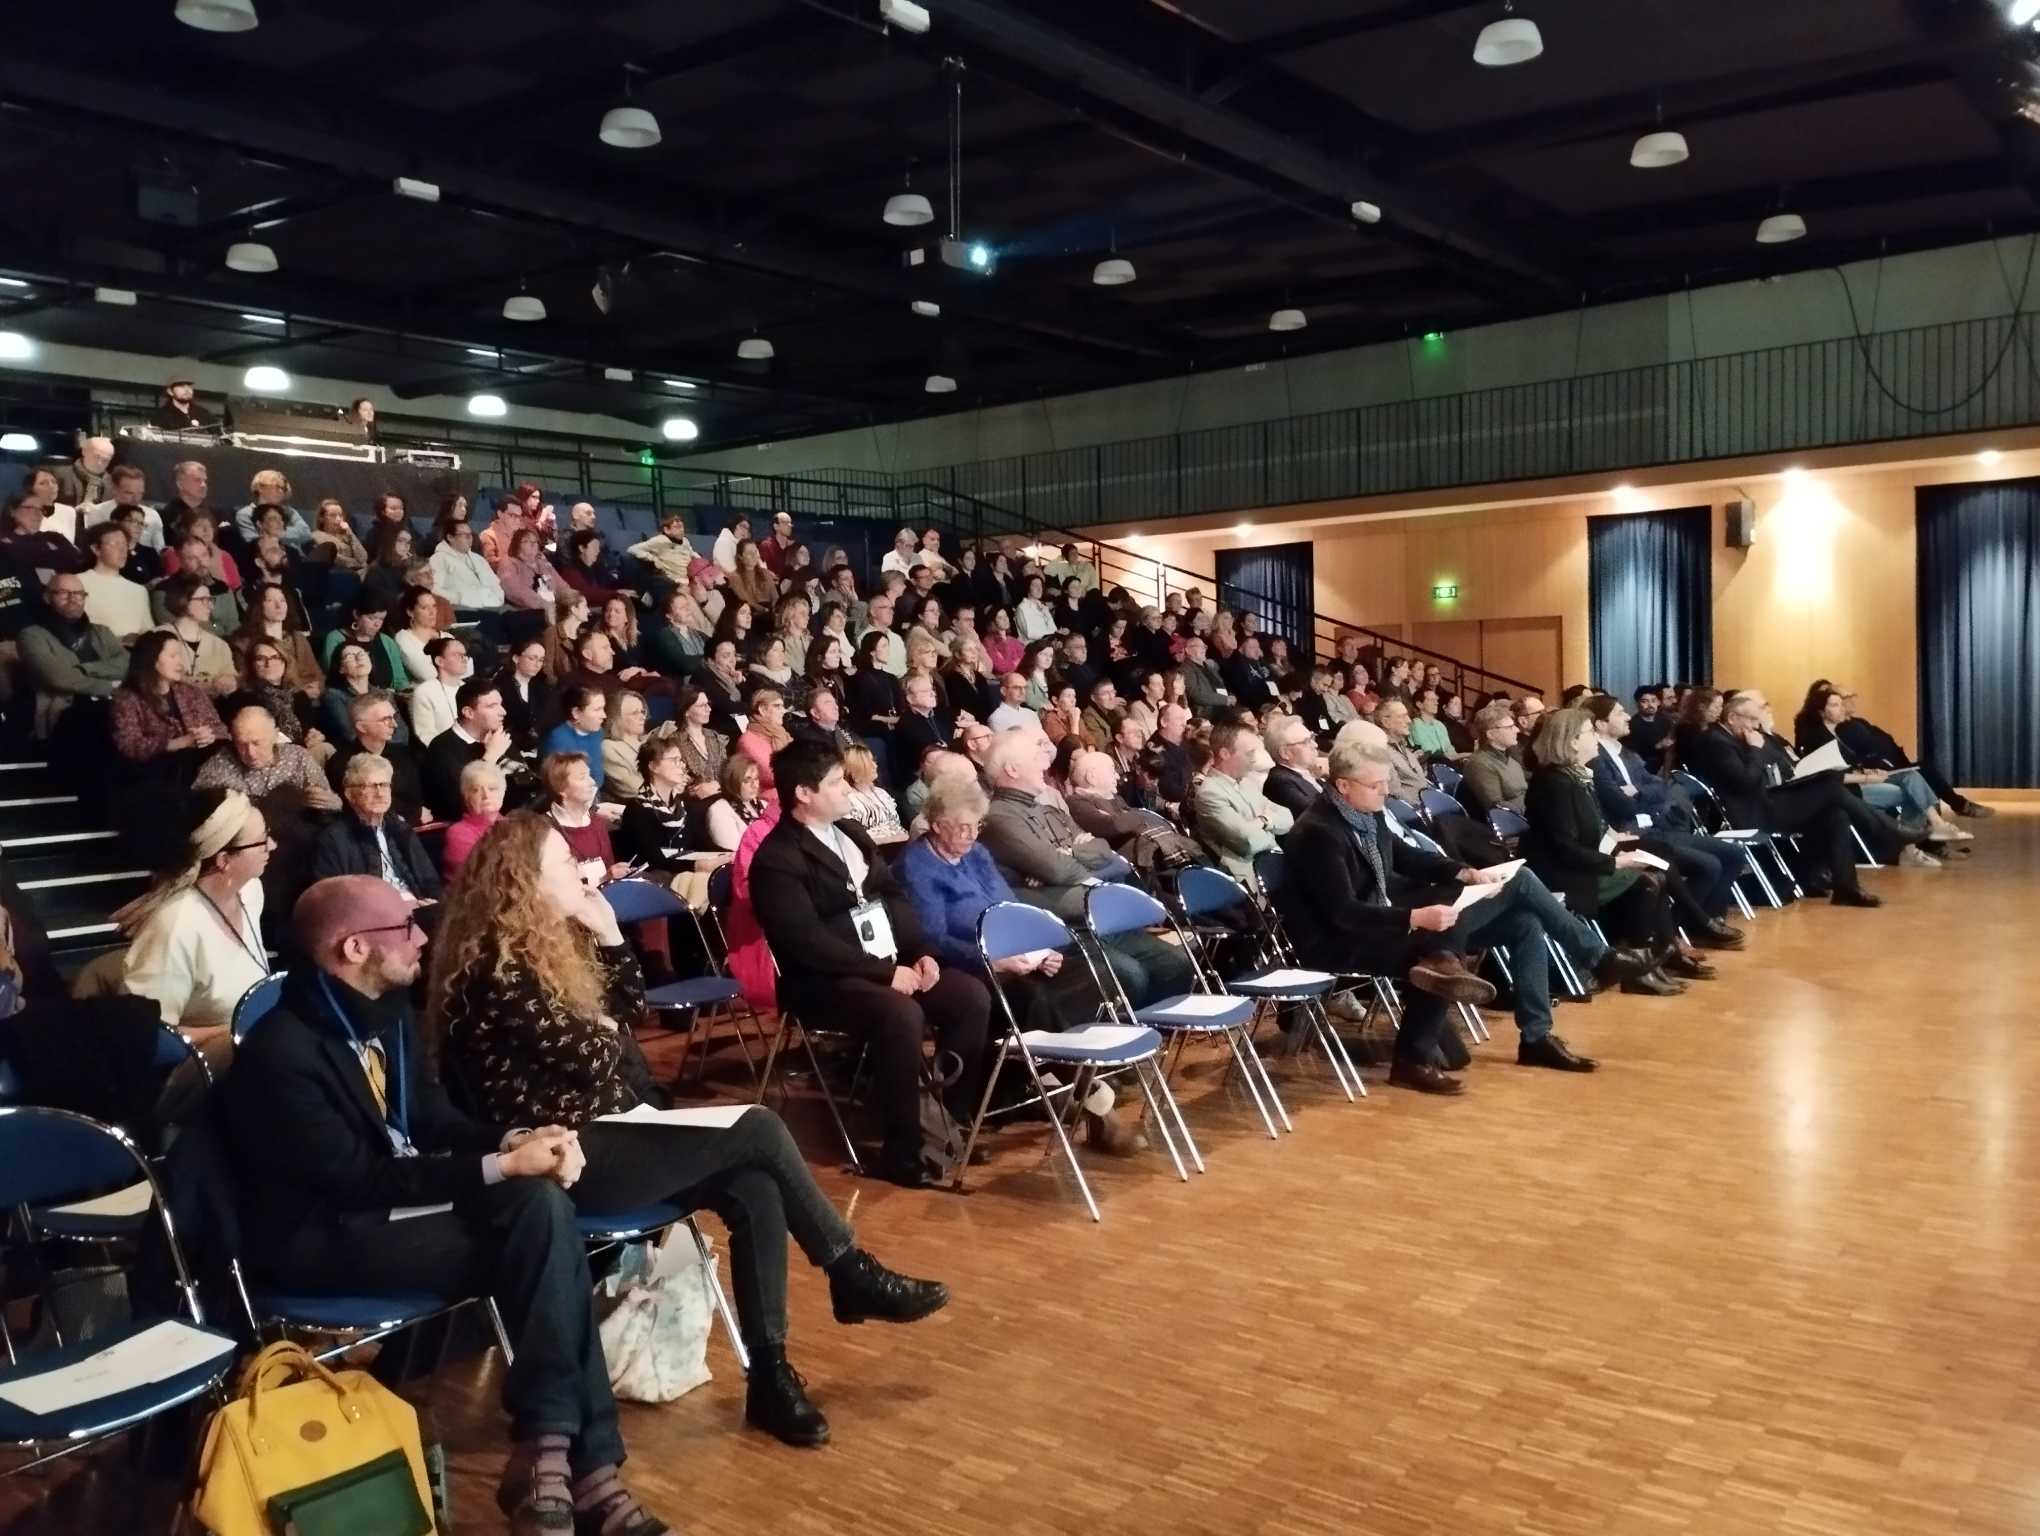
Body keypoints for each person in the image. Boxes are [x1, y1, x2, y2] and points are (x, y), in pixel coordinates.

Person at [224, 875, 676, 1534]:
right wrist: (500, 1166)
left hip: (397, 1209)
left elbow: (435, 1123)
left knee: (540, 1212)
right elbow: (360, 1182)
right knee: (542, 1236)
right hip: (323, 1238)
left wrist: (518, 1139)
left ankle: (552, 1452)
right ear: (353, 948)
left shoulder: (386, 1019)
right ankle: (586, 1469)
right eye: (403, 929)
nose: (421, 939)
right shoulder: (281, 1054)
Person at [1282, 741, 1648, 1087]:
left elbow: (1407, 859)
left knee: (1525, 923)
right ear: (1343, 785)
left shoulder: (1364, 814)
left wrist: (1463, 872)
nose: (1384, 791)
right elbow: (1342, 913)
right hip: (1340, 940)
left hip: (1382, 921)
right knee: (1516, 884)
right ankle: (1596, 958)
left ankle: (1535, 1037)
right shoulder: (1319, 833)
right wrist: (1413, 919)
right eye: (1376, 784)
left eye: (1385, 783)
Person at [750, 740, 994, 1188]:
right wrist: (885, 974)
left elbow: (893, 898)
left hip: (886, 962)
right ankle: (903, 1150)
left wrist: (922, 952)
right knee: (900, 1012)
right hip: (823, 981)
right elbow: (805, 941)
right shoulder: (776, 860)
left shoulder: (853, 834)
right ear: (803, 793)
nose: (848, 790)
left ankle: (950, 1123)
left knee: (969, 996)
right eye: (836, 783)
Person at [978, 728, 1194, 1006]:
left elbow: (1110, 856)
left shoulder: (1047, 810)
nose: (1046, 763)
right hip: (1065, 928)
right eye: (1036, 757)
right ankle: (1125, 1038)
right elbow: (1054, 868)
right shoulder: (1000, 818)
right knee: (1130, 976)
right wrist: (1071, 857)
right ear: (1012, 769)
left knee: (1176, 963)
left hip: (1099, 917)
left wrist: (1069, 855)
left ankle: (1153, 1033)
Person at [1522, 708, 1711, 994]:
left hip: (1581, 861)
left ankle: (1653, 959)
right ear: (1572, 741)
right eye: (1590, 732)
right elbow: (1565, 847)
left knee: (1654, 873)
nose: (1596, 738)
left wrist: (1614, 843)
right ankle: (1639, 968)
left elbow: (1590, 828)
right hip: (1564, 873)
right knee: (1648, 880)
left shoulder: (1574, 777)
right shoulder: (1554, 783)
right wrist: (1616, 862)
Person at [1685, 691, 1895, 907]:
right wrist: (1755, 751)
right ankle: (1884, 831)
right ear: (1732, 718)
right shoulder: (1717, 742)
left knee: (1835, 814)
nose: (1755, 727)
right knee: (1831, 788)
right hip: (1752, 813)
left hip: (1768, 802)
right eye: (1751, 720)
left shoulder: (1736, 737)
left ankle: (1847, 889)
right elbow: (1745, 782)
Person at [115, 789, 271, 1059]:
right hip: (201, 1076)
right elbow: (148, 1036)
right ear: (224, 860)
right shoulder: (176, 925)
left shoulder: (250, 891)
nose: (273, 846)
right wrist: (235, 1031)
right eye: (263, 841)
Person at [1585, 694, 1751, 935]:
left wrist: (1637, 791)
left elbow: (1660, 785)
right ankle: (1679, 930)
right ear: (1601, 724)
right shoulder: (1597, 759)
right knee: (1709, 865)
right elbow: (1621, 805)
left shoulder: (1626, 753)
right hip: (1633, 833)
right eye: (1620, 713)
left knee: (1734, 854)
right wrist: (1641, 796)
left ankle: (1707, 920)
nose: (1627, 717)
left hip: (1658, 825)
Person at [110, 630, 225, 787]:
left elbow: (220, 729)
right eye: (172, 656)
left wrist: (208, 736)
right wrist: (177, 743)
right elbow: (129, 745)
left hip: (199, 761)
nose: (180, 663)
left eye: (180, 656)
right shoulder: (128, 699)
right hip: (156, 772)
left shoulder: (192, 692)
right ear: (152, 660)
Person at [18, 572, 127, 734]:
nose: (73, 598)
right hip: (66, 712)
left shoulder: (101, 631)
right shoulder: (32, 635)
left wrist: (85, 669)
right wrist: (110, 686)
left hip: (111, 705)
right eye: (63, 593)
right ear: (47, 597)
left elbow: (127, 662)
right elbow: (57, 677)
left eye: (79, 594)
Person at [1193, 720, 1293, 881]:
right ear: (1225, 754)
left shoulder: (1247, 782)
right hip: (1249, 878)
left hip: (1275, 865)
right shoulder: (1209, 793)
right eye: (1249, 753)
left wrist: (1264, 821)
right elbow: (1247, 842)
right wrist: (1267, 822)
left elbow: (1288, 817)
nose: (1254, 759)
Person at [421, 677, 523, 824]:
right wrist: (491, 757)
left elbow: (524, 781)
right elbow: (462, 803)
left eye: (500, 704)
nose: (503, 712)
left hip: (513, 820)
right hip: (470, 829)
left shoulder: (496, 736)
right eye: (492, 706)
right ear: (469, 712)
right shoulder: (442, 748)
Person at [327, 689, 426, 824]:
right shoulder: (341, 763)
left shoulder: (403, 754)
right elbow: (357, 808)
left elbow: (416, 798)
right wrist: (414, 814)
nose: (394, 724)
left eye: (394, 717)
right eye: (385, 719)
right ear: (362, 727)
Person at [540, 751, 628, 886]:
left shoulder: (597, 822)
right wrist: (604, 878)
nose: (592, 782)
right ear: (560, 788)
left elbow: (608, 870)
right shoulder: (544, 829)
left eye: (590, 775)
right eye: (582, 777)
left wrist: (614, 874)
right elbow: (555, 885)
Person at [76, 522, 151, 639]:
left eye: (125, 544)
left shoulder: (139, 591)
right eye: (114, 544)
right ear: (96, 549)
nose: (122, 550)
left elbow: (148, 632)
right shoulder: (77, 583)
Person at [1459, 700, 1528, 815]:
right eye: (1510, 727)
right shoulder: (1479, 764)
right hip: (1510, 825)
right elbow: (1497, 808)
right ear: (1491, 734)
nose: (1517, 730)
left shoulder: (1510, 759)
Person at [440, 759, 506, 877]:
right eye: (476, 790)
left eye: (492, 789)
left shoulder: (512, 825)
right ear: (466, 798)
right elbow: (481, 877)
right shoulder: (458, 833)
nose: (486, 795)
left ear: (502, 793)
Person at [429, 517, 505, 613]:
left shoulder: (479, 559)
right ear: (450, 537)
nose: (469, 538)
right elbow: (434, 589)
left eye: (470, 534)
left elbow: (495, 585)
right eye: (464, 535)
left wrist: (495, 601)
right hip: (459, 610)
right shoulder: (438, 559)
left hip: (490, 608)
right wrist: (460, 598)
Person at [542, 685, 610, 792]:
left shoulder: (598, 732)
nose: (604, 715)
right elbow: (562, 788)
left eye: (603, 709)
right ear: (576, 713)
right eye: (597, 710)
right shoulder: (558, 741)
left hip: (596, 795)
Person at [839, 742, 908, 844]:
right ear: (855, 769)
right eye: (869, 763)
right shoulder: (848, 800)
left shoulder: (881, 793)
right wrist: (891, 839)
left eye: (873, 761)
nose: (875, 766)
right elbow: (856, 839)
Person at [626, 509, 698, 590]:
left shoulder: (685, 540)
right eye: (677, 527)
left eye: (682, 527)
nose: (681, 530)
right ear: (666, 530)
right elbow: (632, 549)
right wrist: (652, 558)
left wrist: (699, 559)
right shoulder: (659, 541)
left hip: (689, 577)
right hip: (674, 580)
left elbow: (691, 552)